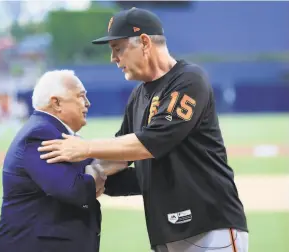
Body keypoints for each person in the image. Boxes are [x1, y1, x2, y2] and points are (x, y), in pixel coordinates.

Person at [38, 8, 249, 252]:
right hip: (167, 231)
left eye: (118, 48)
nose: (113, 58)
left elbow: (151, 142)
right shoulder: (139, 96)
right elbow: (122, 156)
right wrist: (81, 174)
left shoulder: (189, 80)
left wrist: (84, 148)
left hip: (211, 226)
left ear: (145, 42)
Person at [0, 70, 108, 252]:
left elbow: (103, 169)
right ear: (57, 103)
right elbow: (75, 190)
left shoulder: (56, 133)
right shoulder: (40, 134)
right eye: (81, 96)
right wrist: (95, 175)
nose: (88, 103)